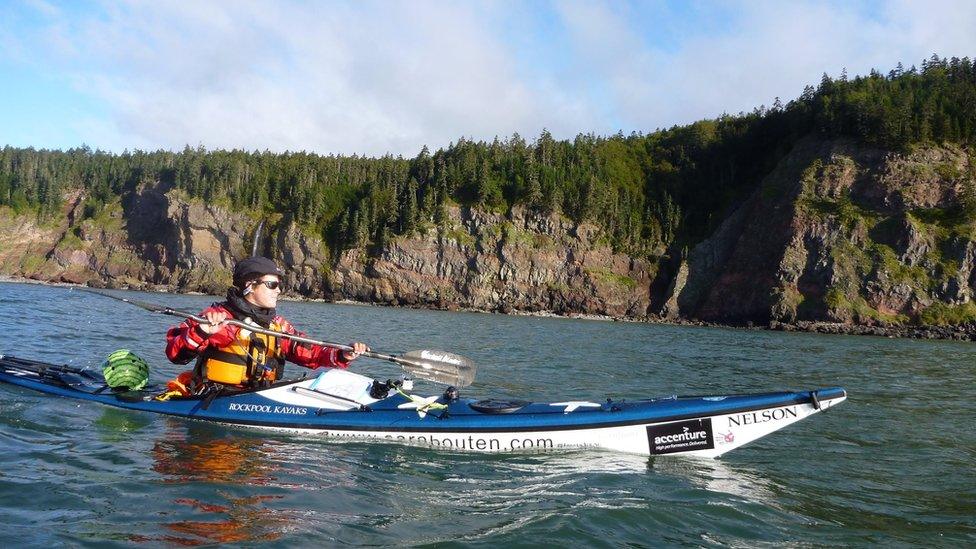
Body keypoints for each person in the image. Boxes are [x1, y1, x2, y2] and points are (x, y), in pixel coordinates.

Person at [164, 256, 368, 395]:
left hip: (259, 397)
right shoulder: (219, 318)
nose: (278, 290)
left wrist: (342, 354)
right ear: (250, 286)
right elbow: (175, 355)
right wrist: (201, 332)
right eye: (272, 284)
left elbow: (310, 352)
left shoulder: (278, 326)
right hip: (217, 398)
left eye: (280, 285)